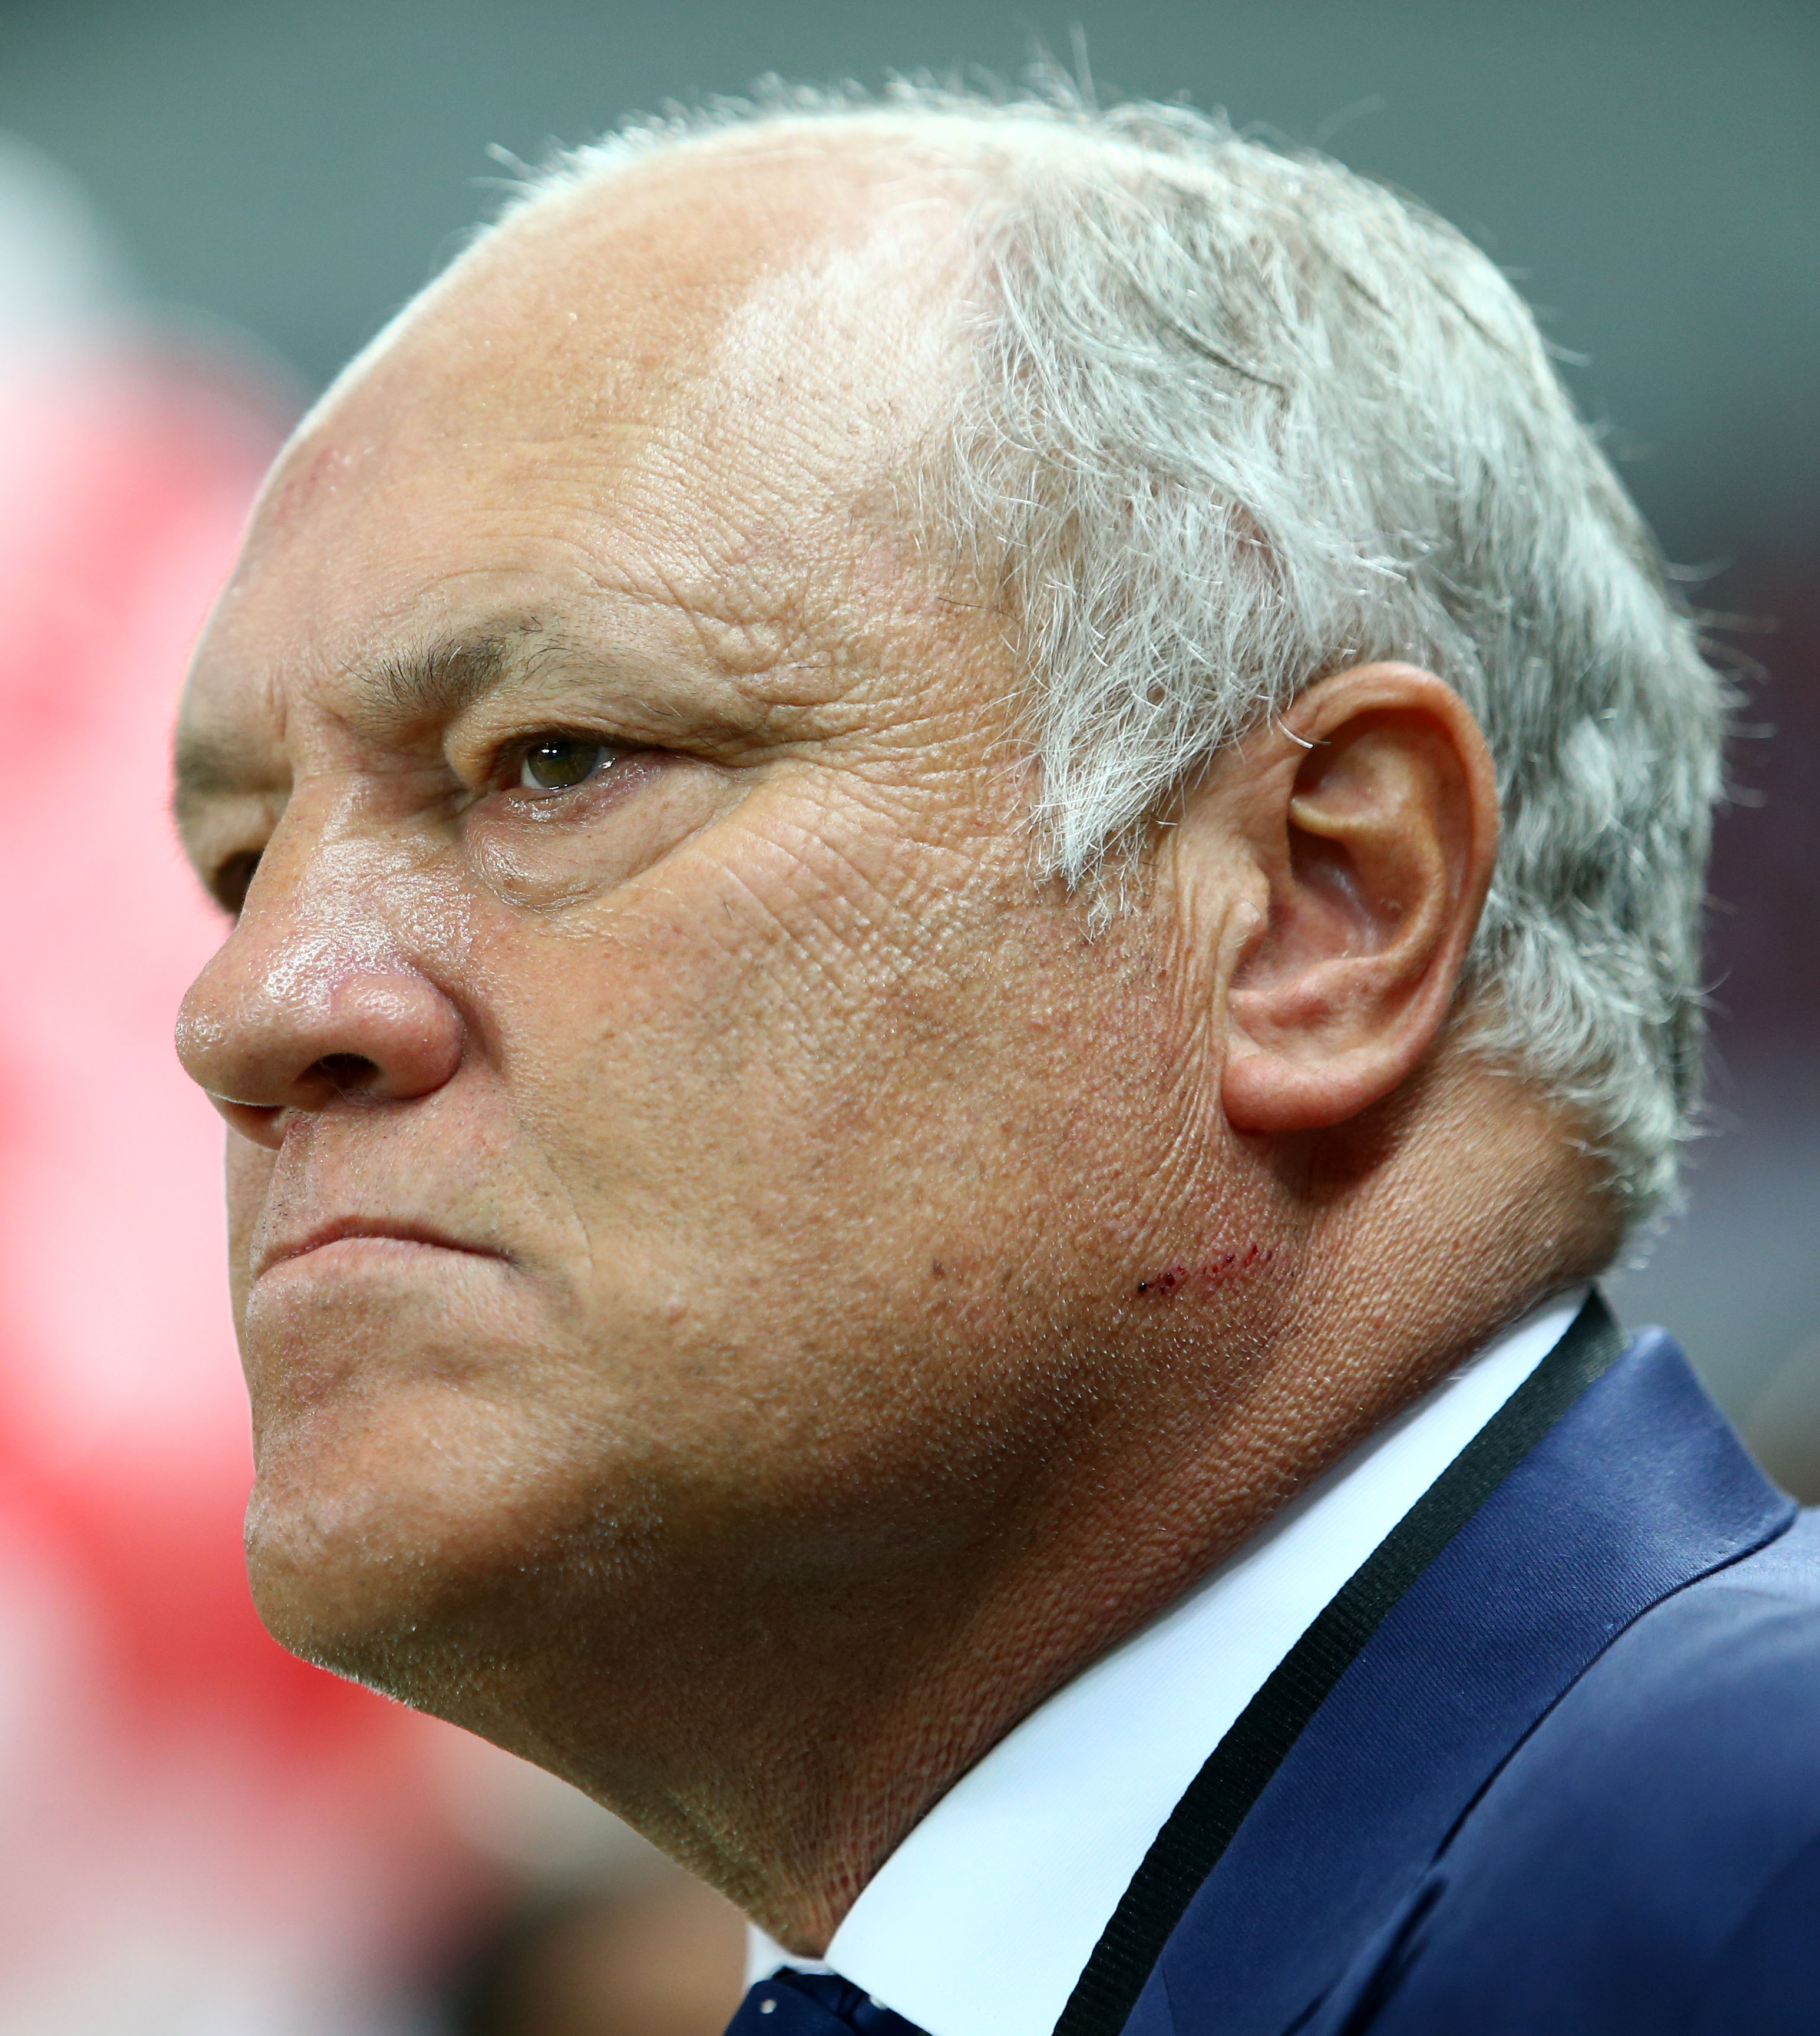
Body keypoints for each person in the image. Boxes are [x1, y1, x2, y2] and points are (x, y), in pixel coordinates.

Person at [166, 81, 1818, 2036]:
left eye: (556, 761)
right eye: (243, 861)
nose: (252, 1011)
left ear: (1321, 910)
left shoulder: (1752, 1870)